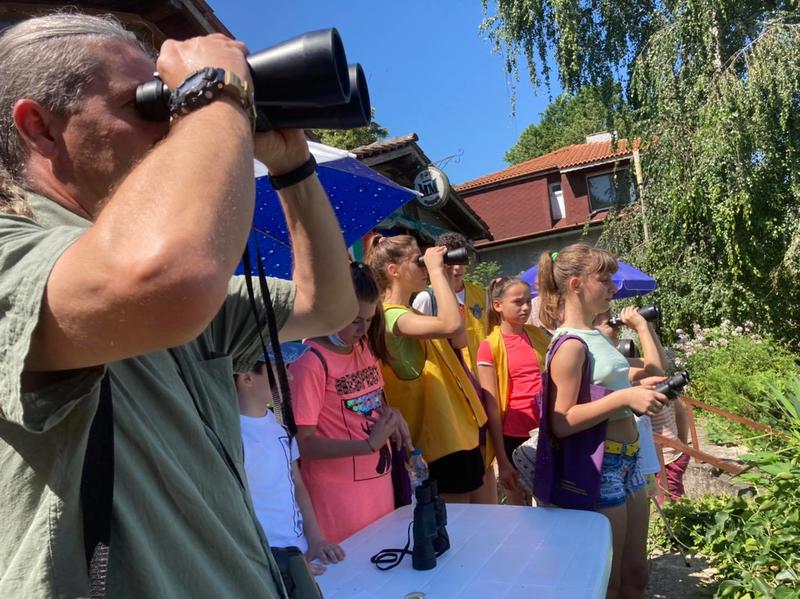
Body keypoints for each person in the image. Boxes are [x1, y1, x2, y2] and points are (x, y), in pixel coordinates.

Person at [0, 12, 357, 598]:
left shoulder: (177, 284)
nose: (172, 125)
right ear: (39, 127)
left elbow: (329, 305)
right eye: (149, 105)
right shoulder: (17, 257)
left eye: (176, 102)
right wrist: (214, 93)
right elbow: (165, 279)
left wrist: (291, 164)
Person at [537, 244, 668, 599]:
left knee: (636, 573)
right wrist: (625, 397)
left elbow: (617, 384)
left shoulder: (596, 336)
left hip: (629, 461)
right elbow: (562, 422)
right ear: (576, 284)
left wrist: (635, 387)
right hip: (601, 465)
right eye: (605, 280)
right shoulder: (570, 345)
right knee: (606, 581)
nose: (614, 288)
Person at [290, 261, 412, 543]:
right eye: (355, 319)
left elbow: (371, 404)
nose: (363, 328)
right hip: (338, 505)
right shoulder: (309, 362)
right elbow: (302, 444)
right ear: (331, 308)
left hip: (379, 492)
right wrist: (367, 445)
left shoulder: (363, 347)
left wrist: (394, 417)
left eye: (369, 320)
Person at [366, 235, 488, 503]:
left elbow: (459, 337)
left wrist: (442, 275)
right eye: (417, 261)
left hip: (457, 433)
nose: (424, 266)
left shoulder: (414, 312)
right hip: (437, 443)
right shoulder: (390, 316)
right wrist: (435, 271)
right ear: (393, 270)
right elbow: (449, 325)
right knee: (463, 533)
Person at [236, 355, 345, 575]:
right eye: (279, 369)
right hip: (270, 569)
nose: (290, 375)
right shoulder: (232, 438)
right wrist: (278, 565)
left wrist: (316, 540)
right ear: (247, 378)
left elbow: (297, 483)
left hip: (300, 556)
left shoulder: (280, 425)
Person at [411, 231, 497, 503]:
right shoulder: (427, 299)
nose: (457, 267)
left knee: (483, 458)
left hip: (480, 386)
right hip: (451, 391)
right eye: (449, 261)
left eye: (461, 259)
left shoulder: (478, 295)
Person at [476, 277, 550, 505]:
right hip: (513, 436)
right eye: (518, 302)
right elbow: (492, 406)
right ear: (498, 305)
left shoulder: (538, 335)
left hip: (545, 429)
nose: (526, 307)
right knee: (520, 506)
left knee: (548, 500)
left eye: (528, 301)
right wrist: (502, 459)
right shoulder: (489, 345)